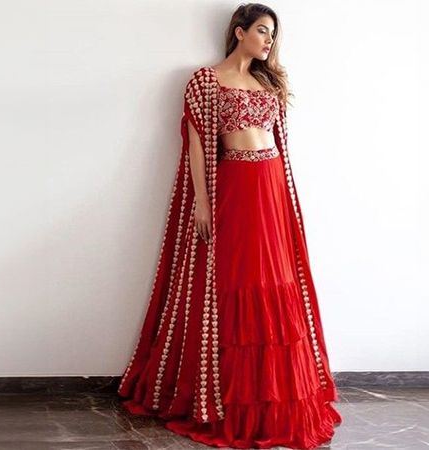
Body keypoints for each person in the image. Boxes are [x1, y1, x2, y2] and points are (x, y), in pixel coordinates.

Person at [117, 3, 343, 448]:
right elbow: (198, 145)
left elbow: (279, 141)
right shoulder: (205, 80)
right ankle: (229, 397)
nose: (269, 40)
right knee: (237, 280)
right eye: (262, 30)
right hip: (235, 185)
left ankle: (277, 396)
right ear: (239, 32)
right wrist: (202, 201)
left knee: (276, 280)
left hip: (271, 185)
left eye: (273, 34)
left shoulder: (266, 81)